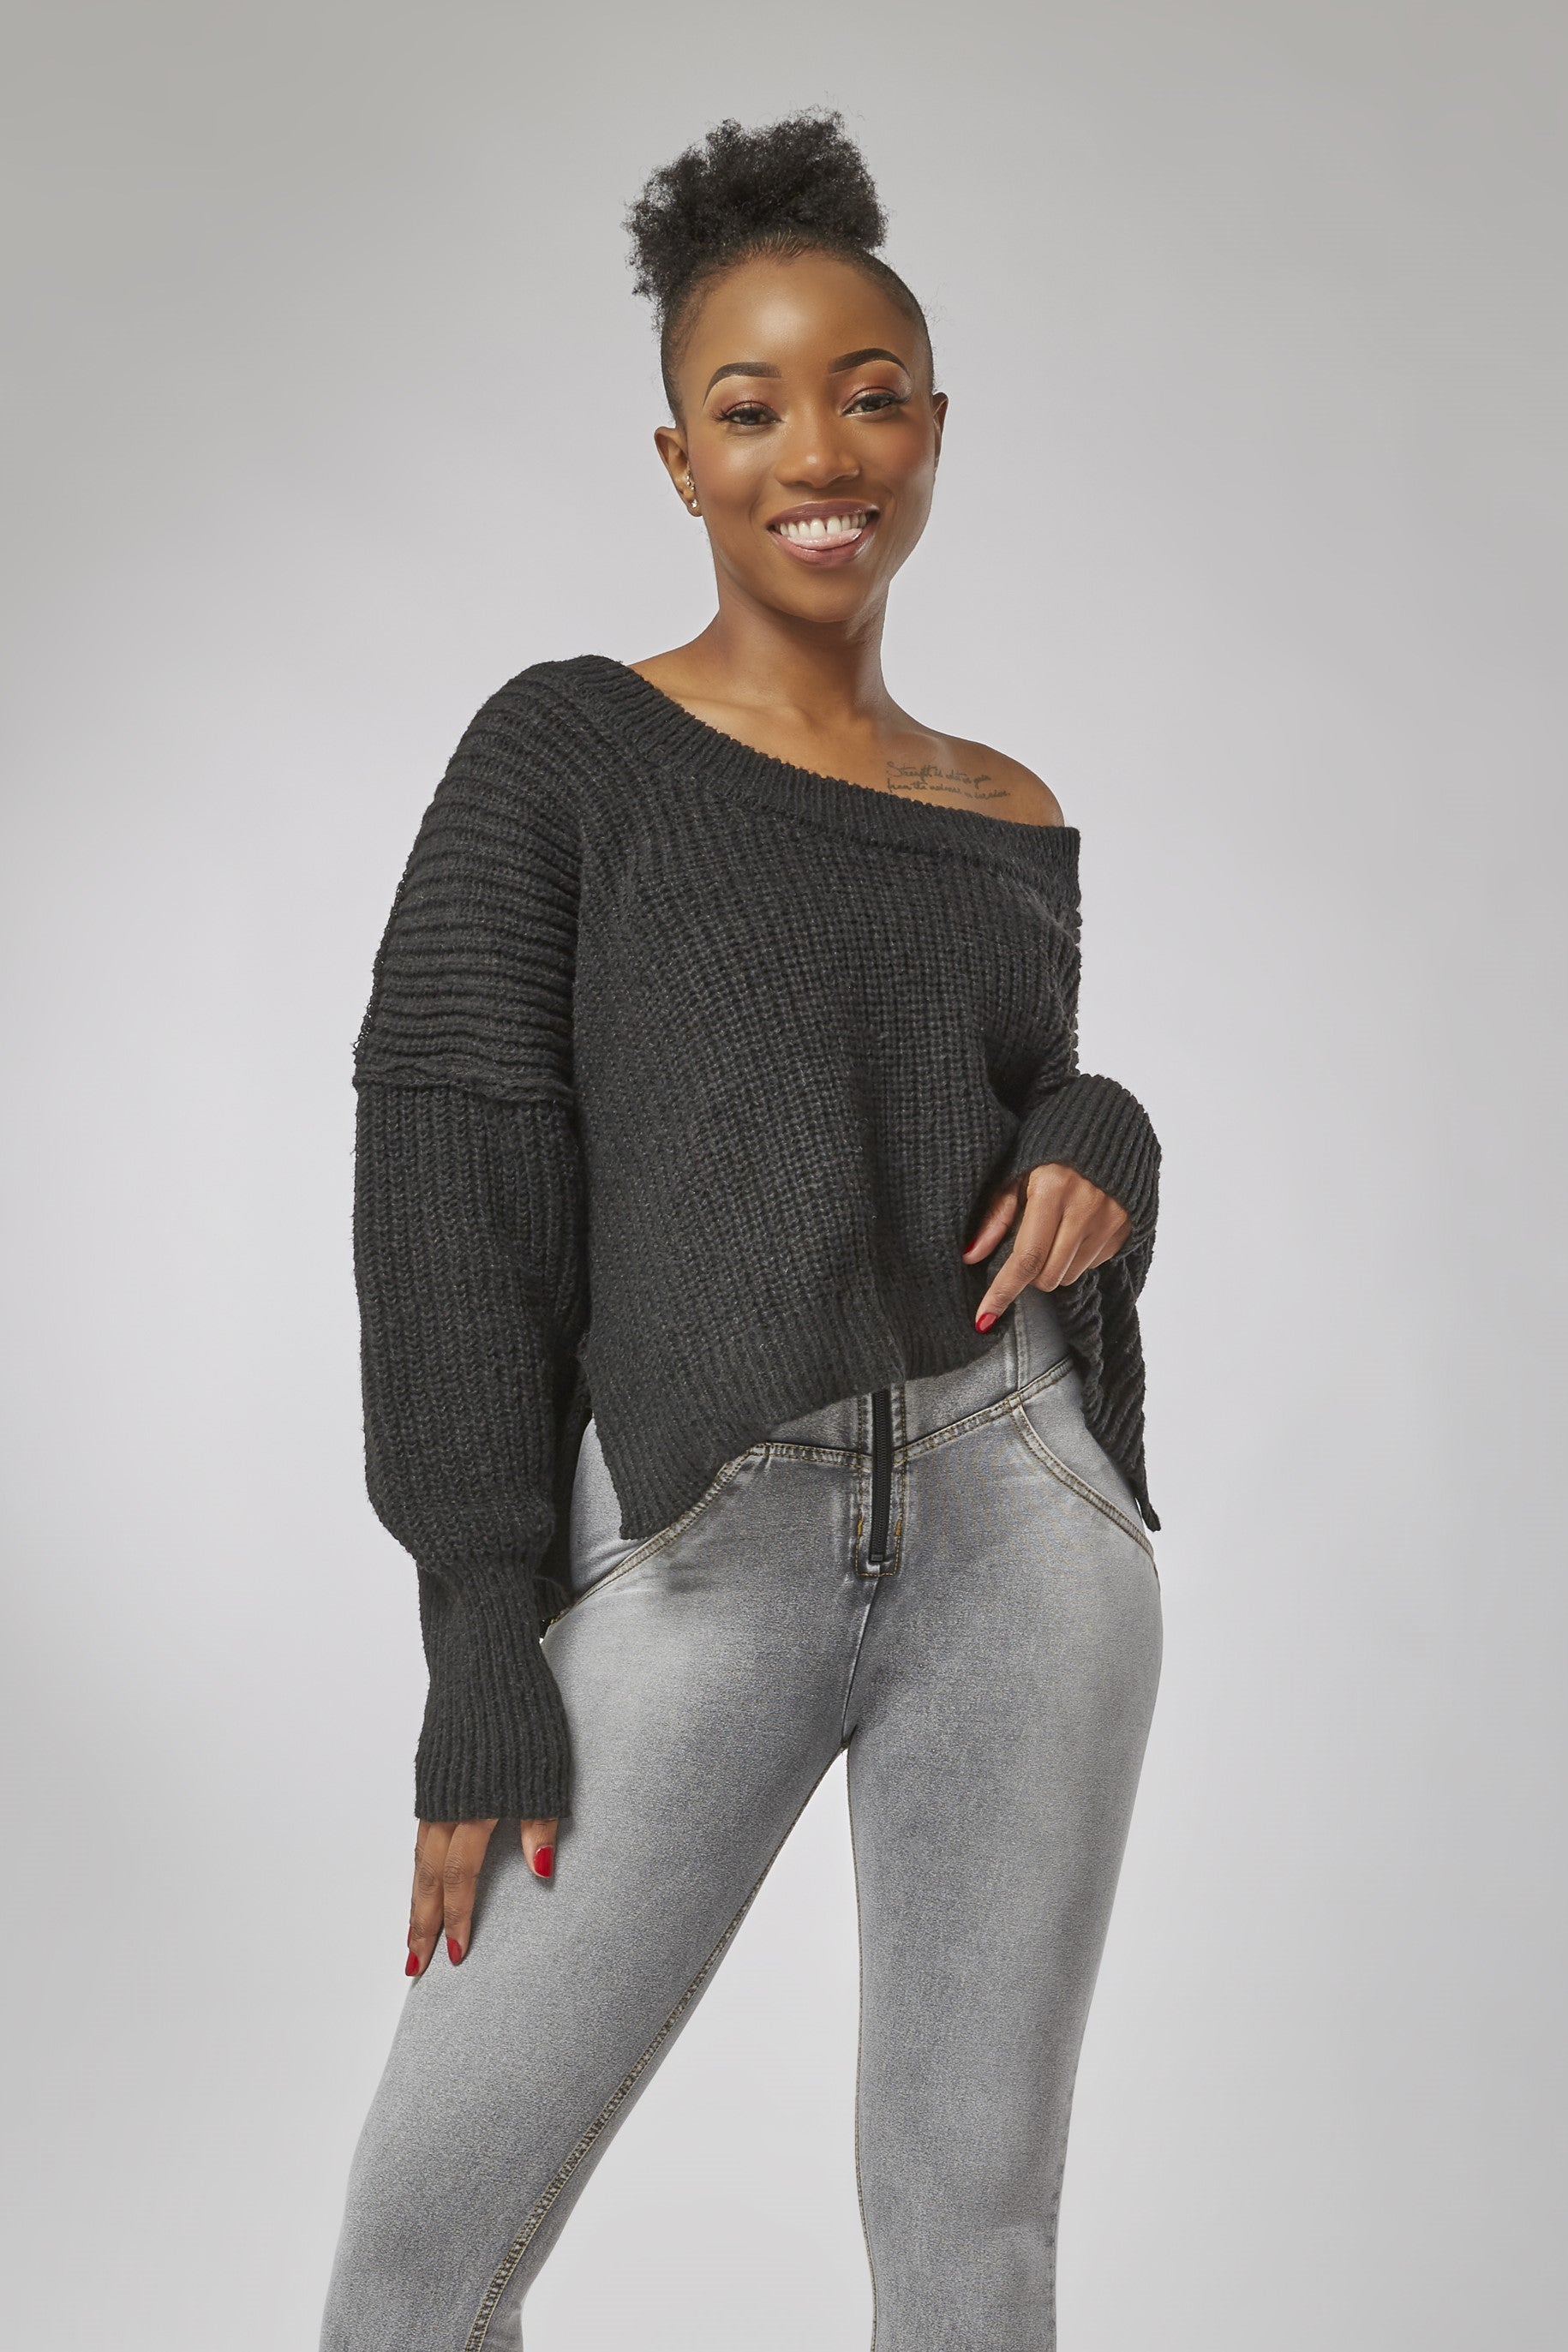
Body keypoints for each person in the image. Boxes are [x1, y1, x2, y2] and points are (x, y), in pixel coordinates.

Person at [320, 108, 1164, 2352]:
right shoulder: (566, 755)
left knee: (974, 2249)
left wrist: (1108, 1130)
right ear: (680, 458)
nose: (822, 452)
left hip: (1019, 1520)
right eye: (753, 404)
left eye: (869, 395)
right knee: (417, 2263)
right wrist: (481, 1641)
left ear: (933, 427)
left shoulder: (1008, 810)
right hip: (703, 1535)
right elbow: (452, 1183)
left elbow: (1001, 1137)